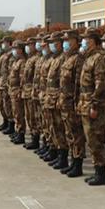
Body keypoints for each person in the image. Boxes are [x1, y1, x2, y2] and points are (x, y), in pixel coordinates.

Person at [78, 28, 105, 186]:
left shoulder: (98, 59)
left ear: (94, 42)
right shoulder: (88, 58)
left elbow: (101, 85)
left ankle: (102, 175)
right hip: (86, 103)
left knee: (97, 140)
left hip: (94, 106)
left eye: (87, 40)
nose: (84, 42)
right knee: (91, 140)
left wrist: (94, 105)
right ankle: (97, 171)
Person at [58, 30, 86, 177]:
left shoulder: (78, 59)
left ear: (75, 40)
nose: (65, 42)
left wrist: (77, 104)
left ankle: (78, 164)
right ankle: (72, 162)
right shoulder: (67, 58)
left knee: (77, 135)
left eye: (68, 40)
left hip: (72, 104)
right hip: (65, 103)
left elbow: (78, 85)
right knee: (69, 134)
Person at [45, 32, 68, 168]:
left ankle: (63, 158)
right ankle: (58, 155)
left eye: (54, 42)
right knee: (54, 128)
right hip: (51, 98)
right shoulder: (54, 58)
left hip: (60, 99)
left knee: (61, 129)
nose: (52, 45)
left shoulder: (63, 58)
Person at [37, 35, 55, 159]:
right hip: (45, 95)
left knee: (53, 126)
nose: (43, 47)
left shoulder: (55, 59)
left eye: (45, 45)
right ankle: (48, 146)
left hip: (55, 97)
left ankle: (55, 151)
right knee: (45, 123)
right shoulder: (44, 59)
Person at [22, 37, 41, 150]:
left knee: (36, 118)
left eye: (30, 44)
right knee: (30, 116)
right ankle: (34, 139)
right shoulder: (30, 59)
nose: (28, 47)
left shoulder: (37, 59)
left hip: (35, 92)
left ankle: (37, 141)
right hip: (28, 91)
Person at [8, 40, 27, 145]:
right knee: (15, 113)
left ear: (20, 50)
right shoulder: (16, 61)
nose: (14, 50)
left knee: (19, 113)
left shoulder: (22, 62)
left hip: (17, 91)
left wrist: (20, 91)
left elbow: (22, 79)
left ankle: (21, 134)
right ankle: (17, 131)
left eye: (15, 48)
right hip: (13, 90)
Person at [0, 37, 15, 135]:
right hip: (3, 83)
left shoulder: (11, 55)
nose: (3, 45)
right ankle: (7, 123)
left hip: (8, 84)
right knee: (4, 105)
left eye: (4, 43)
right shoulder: (5, 55)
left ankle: (11, 125)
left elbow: (10, 71)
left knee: (9, 106)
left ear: (9, 43)